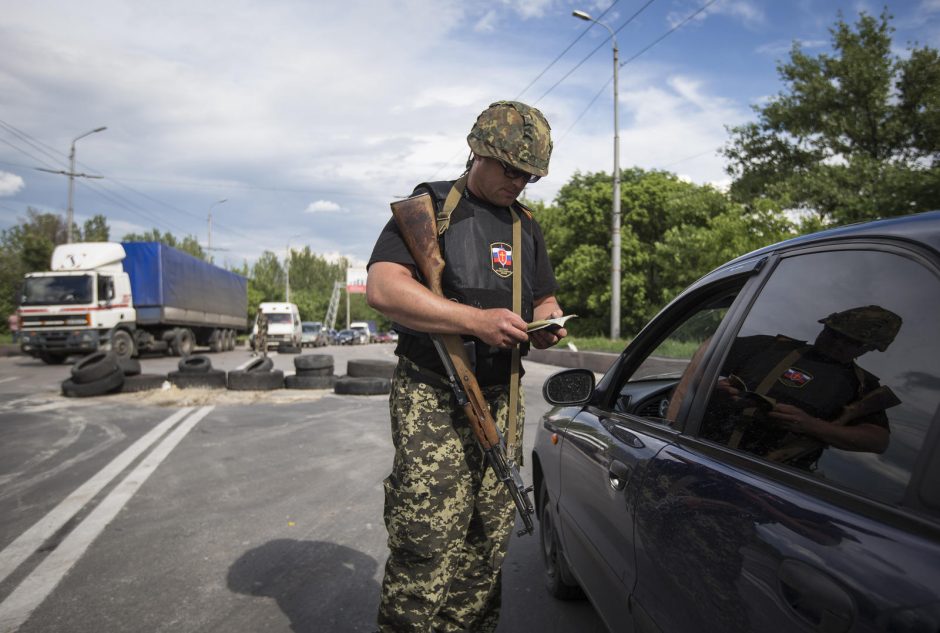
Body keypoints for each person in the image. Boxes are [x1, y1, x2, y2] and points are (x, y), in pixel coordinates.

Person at [366, 100, 566, 632]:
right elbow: (384, 288)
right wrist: (474, 322)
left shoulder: (525, 225)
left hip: (503, 398)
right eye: (512, 169)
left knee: (486, 546)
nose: (520, 182)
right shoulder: (429, 208)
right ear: (478, 151)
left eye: (530, 174)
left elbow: (543, 298)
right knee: (426, 546)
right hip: (434, 393)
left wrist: (547, 322)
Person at [704, 305, 902, 469]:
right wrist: (710, 389)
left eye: (851, 342)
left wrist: (811, 425)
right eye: (833, 334)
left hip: (772, 481)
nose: (837, 343)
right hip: (709, 455)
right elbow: (704, 356)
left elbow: (878, 440)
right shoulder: (770, 347)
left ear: (870, 348)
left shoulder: (862, 386)